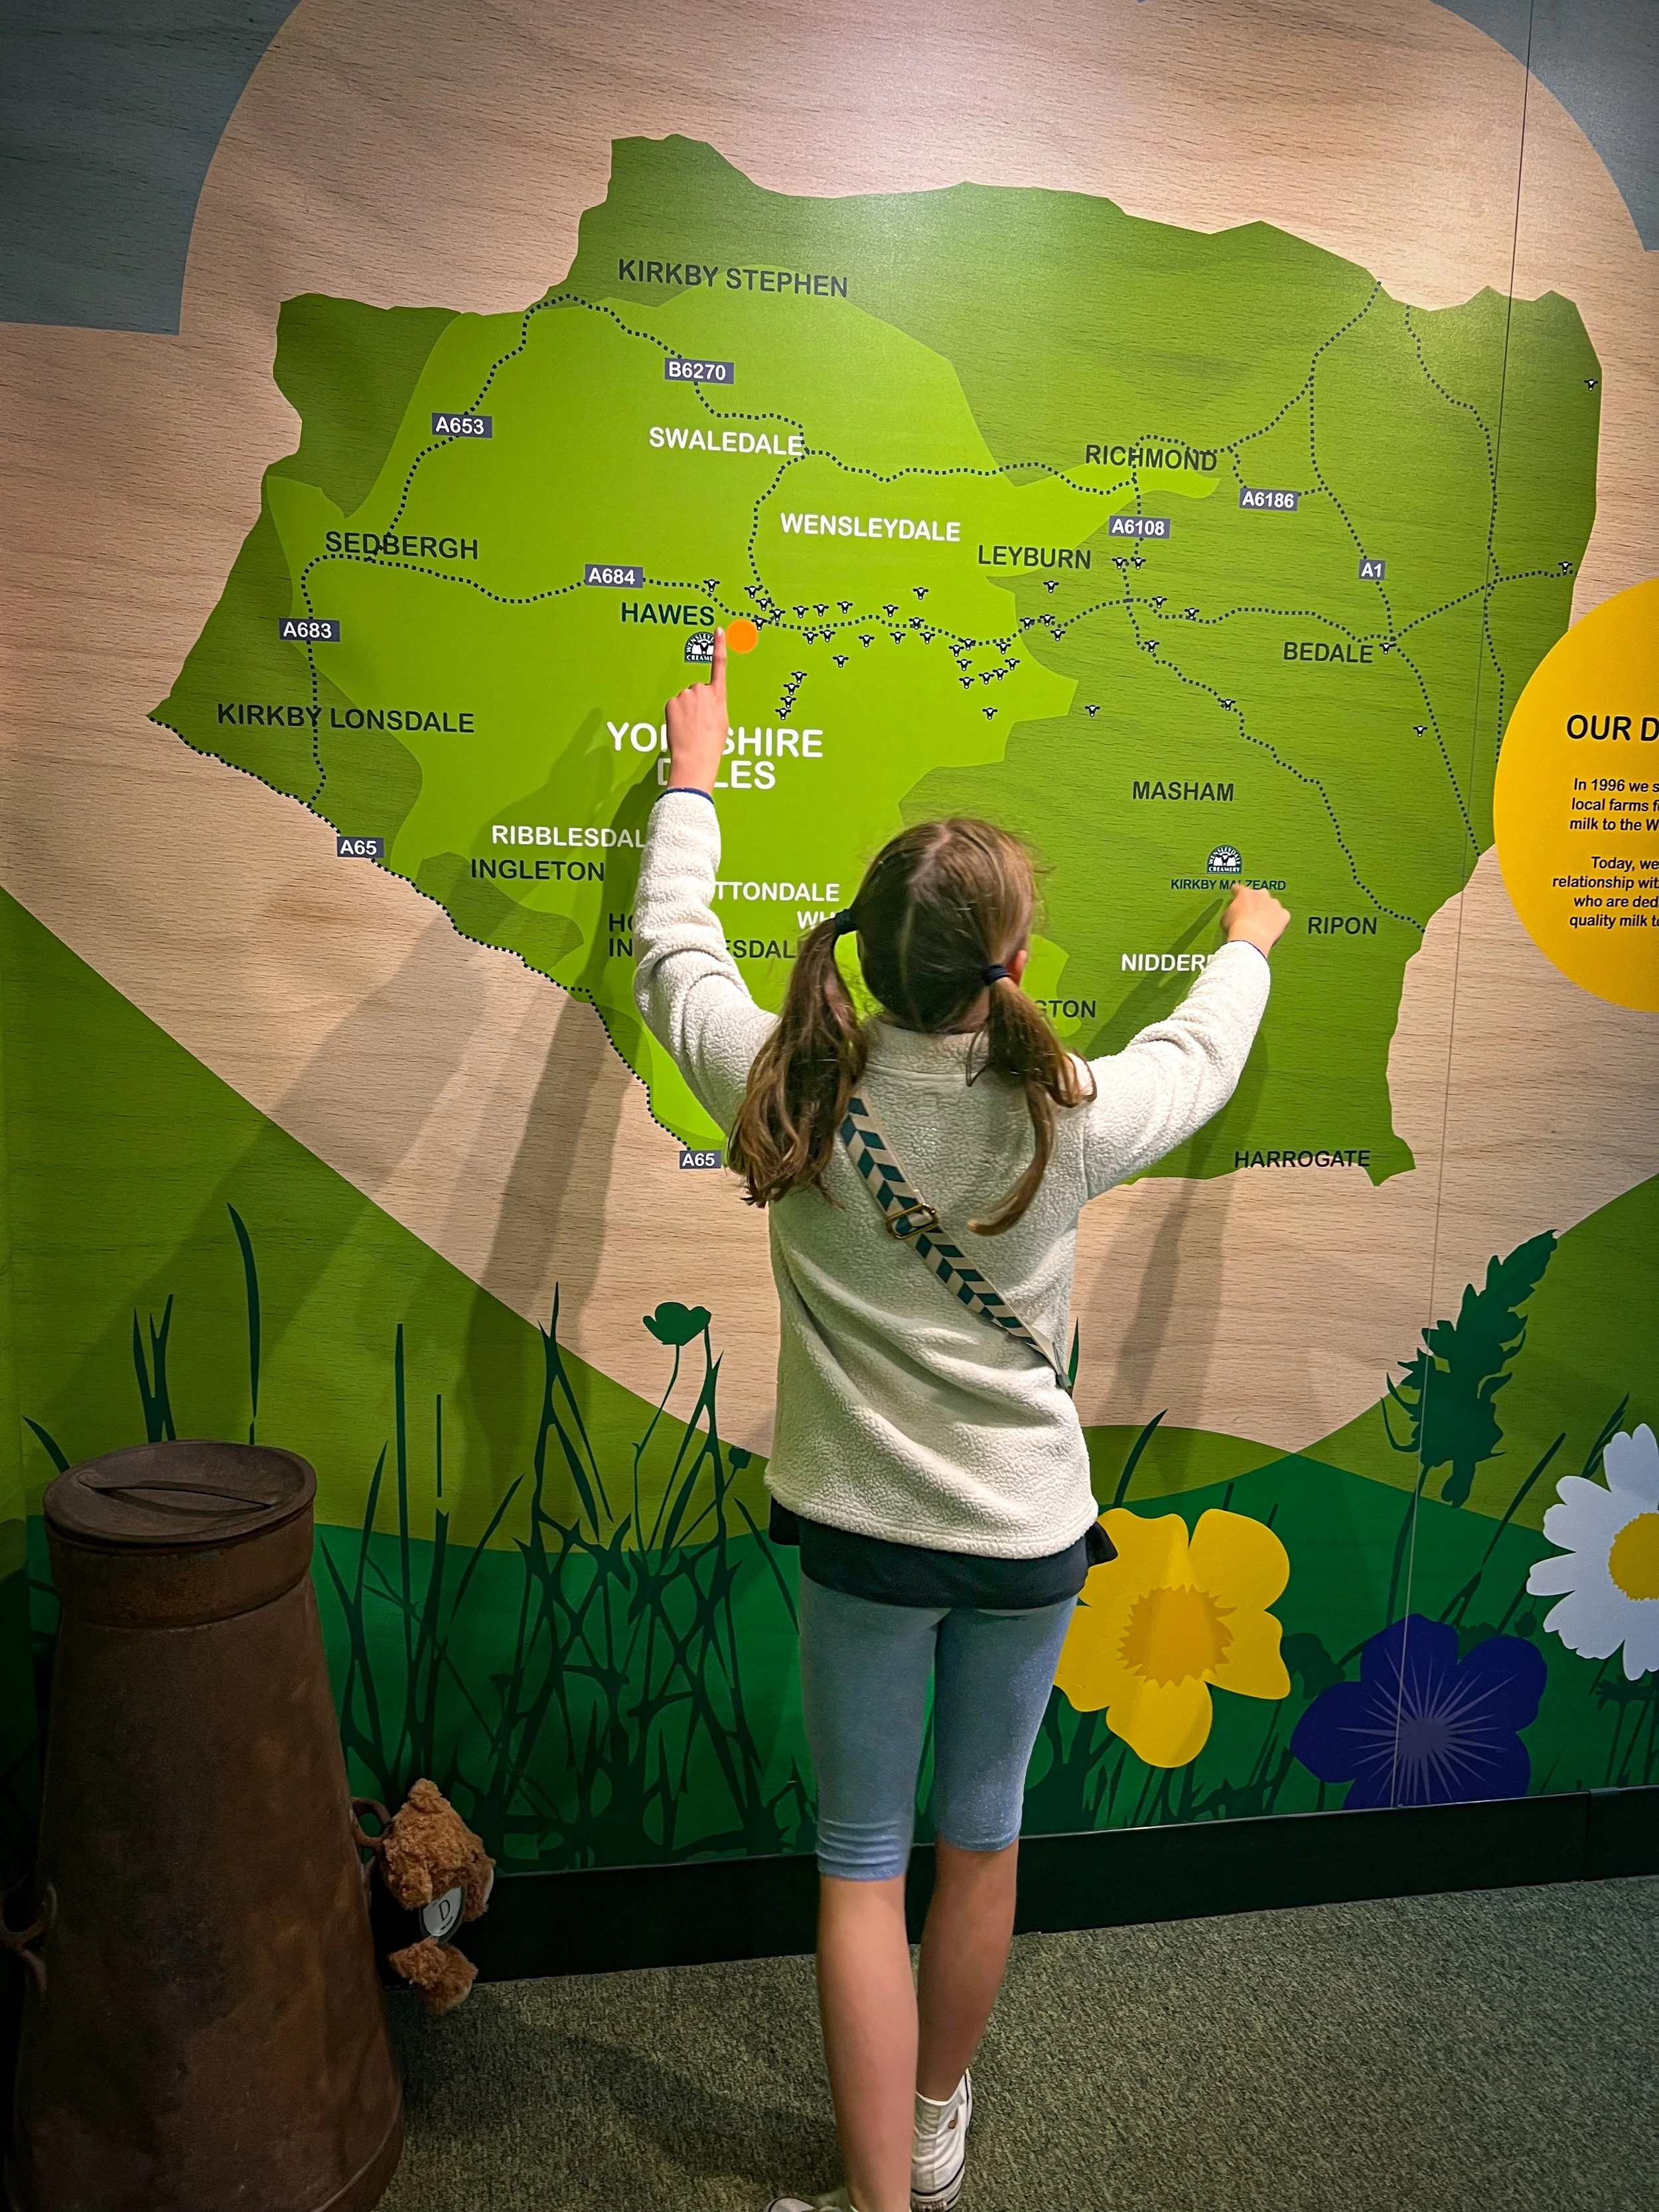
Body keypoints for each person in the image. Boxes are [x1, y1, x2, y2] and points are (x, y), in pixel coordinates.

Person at [633, 632, 1288, 2212]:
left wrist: (693, 781)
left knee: (860, 1864)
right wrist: (1248, 941)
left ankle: (876, 2204)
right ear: (1005, 965)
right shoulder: (1067, 1113)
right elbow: (1196, 1058)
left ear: (865, 949)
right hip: (1022, 1543)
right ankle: (935, 2130)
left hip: (858, 1539)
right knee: (977, 1843)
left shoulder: (785, 1078)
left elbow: (675, 954)